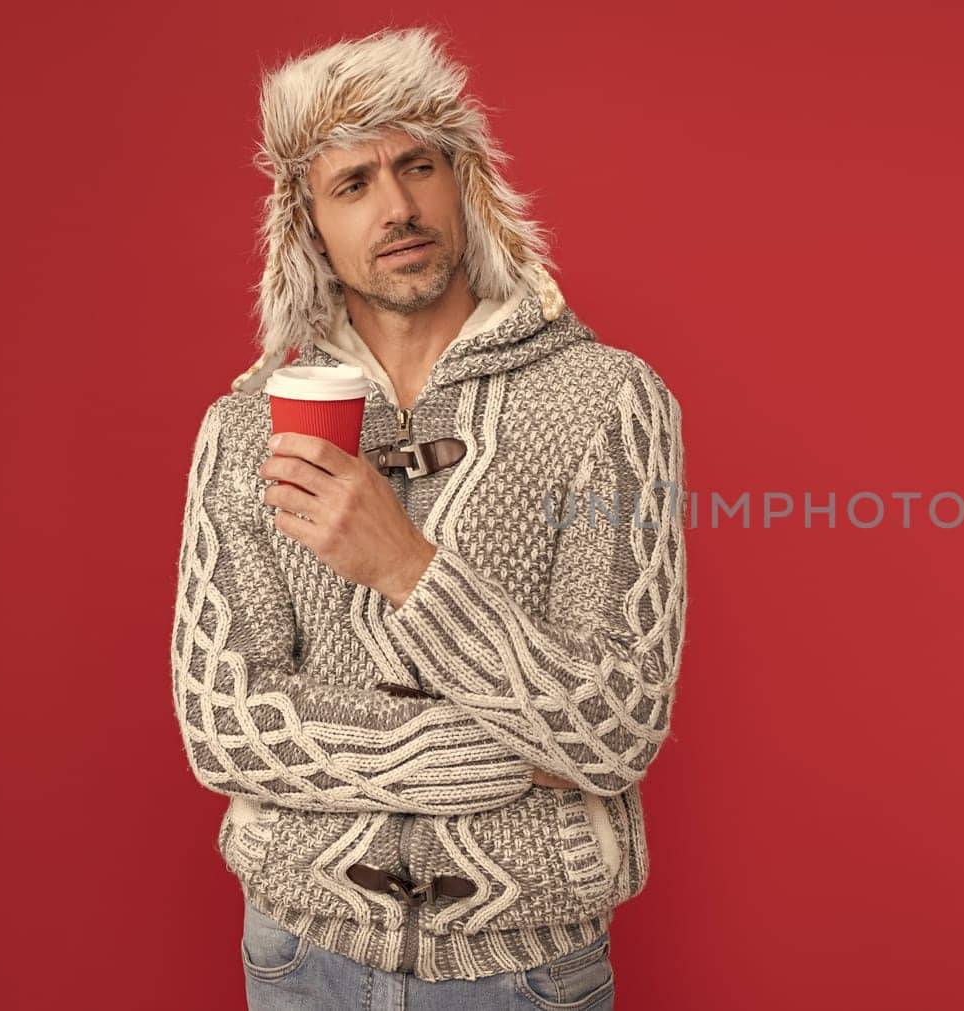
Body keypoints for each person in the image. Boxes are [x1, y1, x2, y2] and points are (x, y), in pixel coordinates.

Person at [169, 24, 688, 1010]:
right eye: (353, 184)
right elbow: (221, 727)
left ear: (468, 183)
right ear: (307, 223)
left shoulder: (608, 402)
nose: (398, 207)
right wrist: (464, 758)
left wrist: (410, 569)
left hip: (525, 969)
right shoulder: (241, 428)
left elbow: (613, 731)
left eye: (419, 166)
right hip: (298, 953)